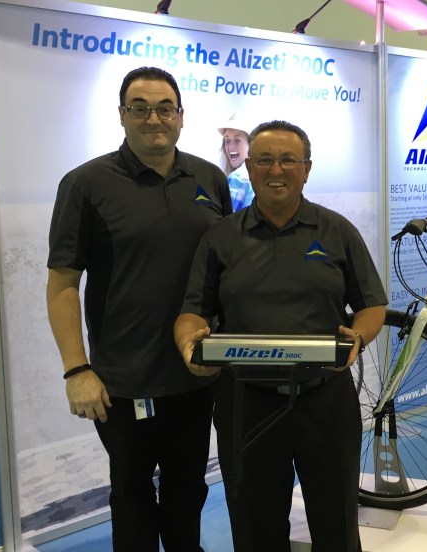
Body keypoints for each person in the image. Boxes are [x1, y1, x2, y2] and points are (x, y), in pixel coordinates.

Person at [175, 120, 387, 551]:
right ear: (249, 168)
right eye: (265, 160)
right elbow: (193, 312)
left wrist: (358, 336)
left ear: (306, 169)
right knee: (255, 528)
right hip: (246, 403)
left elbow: (372, 306)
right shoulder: (220, 238)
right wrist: (188, 342)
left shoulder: (337, 231)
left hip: (325, 397)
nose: (277, 170)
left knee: (337, 524)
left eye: (289, 160)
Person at [46, 66, 232, 551]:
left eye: (165, 108)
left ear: (181, 116)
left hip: (196, 373)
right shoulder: (86, 184)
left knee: (188, 490)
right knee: (132, 496)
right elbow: (63, 284)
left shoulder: (209, 178)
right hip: (124, 382)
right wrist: (76, 370)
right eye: (141, 108)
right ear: (122, 115)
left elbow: (228, 271)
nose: (154, 118)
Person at [218, 113, 254, 212]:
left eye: (237, 140)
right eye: (227, 141)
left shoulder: (237, 178)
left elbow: (226, 219)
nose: (231, 147)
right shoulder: (256, 176)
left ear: (250, 144)